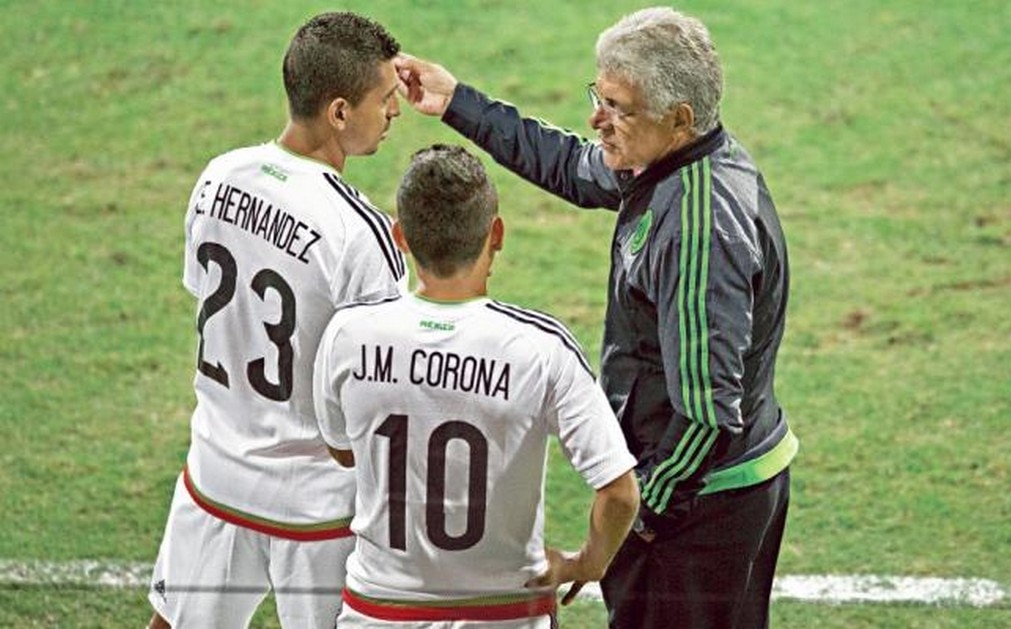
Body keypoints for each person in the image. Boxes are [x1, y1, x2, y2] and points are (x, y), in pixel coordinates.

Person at [395, 7, 797, 628]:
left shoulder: (697, 231)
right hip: (716, 490)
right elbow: (569, 164)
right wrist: (457, 103)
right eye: (598, 96)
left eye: (617, 107)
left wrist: (628, 530)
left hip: (697, 510)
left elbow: (706, 419)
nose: (596, 119)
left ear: (680, 118)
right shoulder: (672, 161)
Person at [147, 12, 408, 629]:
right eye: (386, 99)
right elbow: (383, 392)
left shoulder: (218, 176)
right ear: (340, 112)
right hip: (315, 508)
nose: (395, 112)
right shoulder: (359, 231)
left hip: (213, 476)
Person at [312, 144, 640, 628]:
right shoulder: (540, 348)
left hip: (379, 613)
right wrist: (587, 561)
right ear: (497, 234)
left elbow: (343, 451)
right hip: (504, 614)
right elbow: (619, 493)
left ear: (400, 237)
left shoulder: (348, 334)